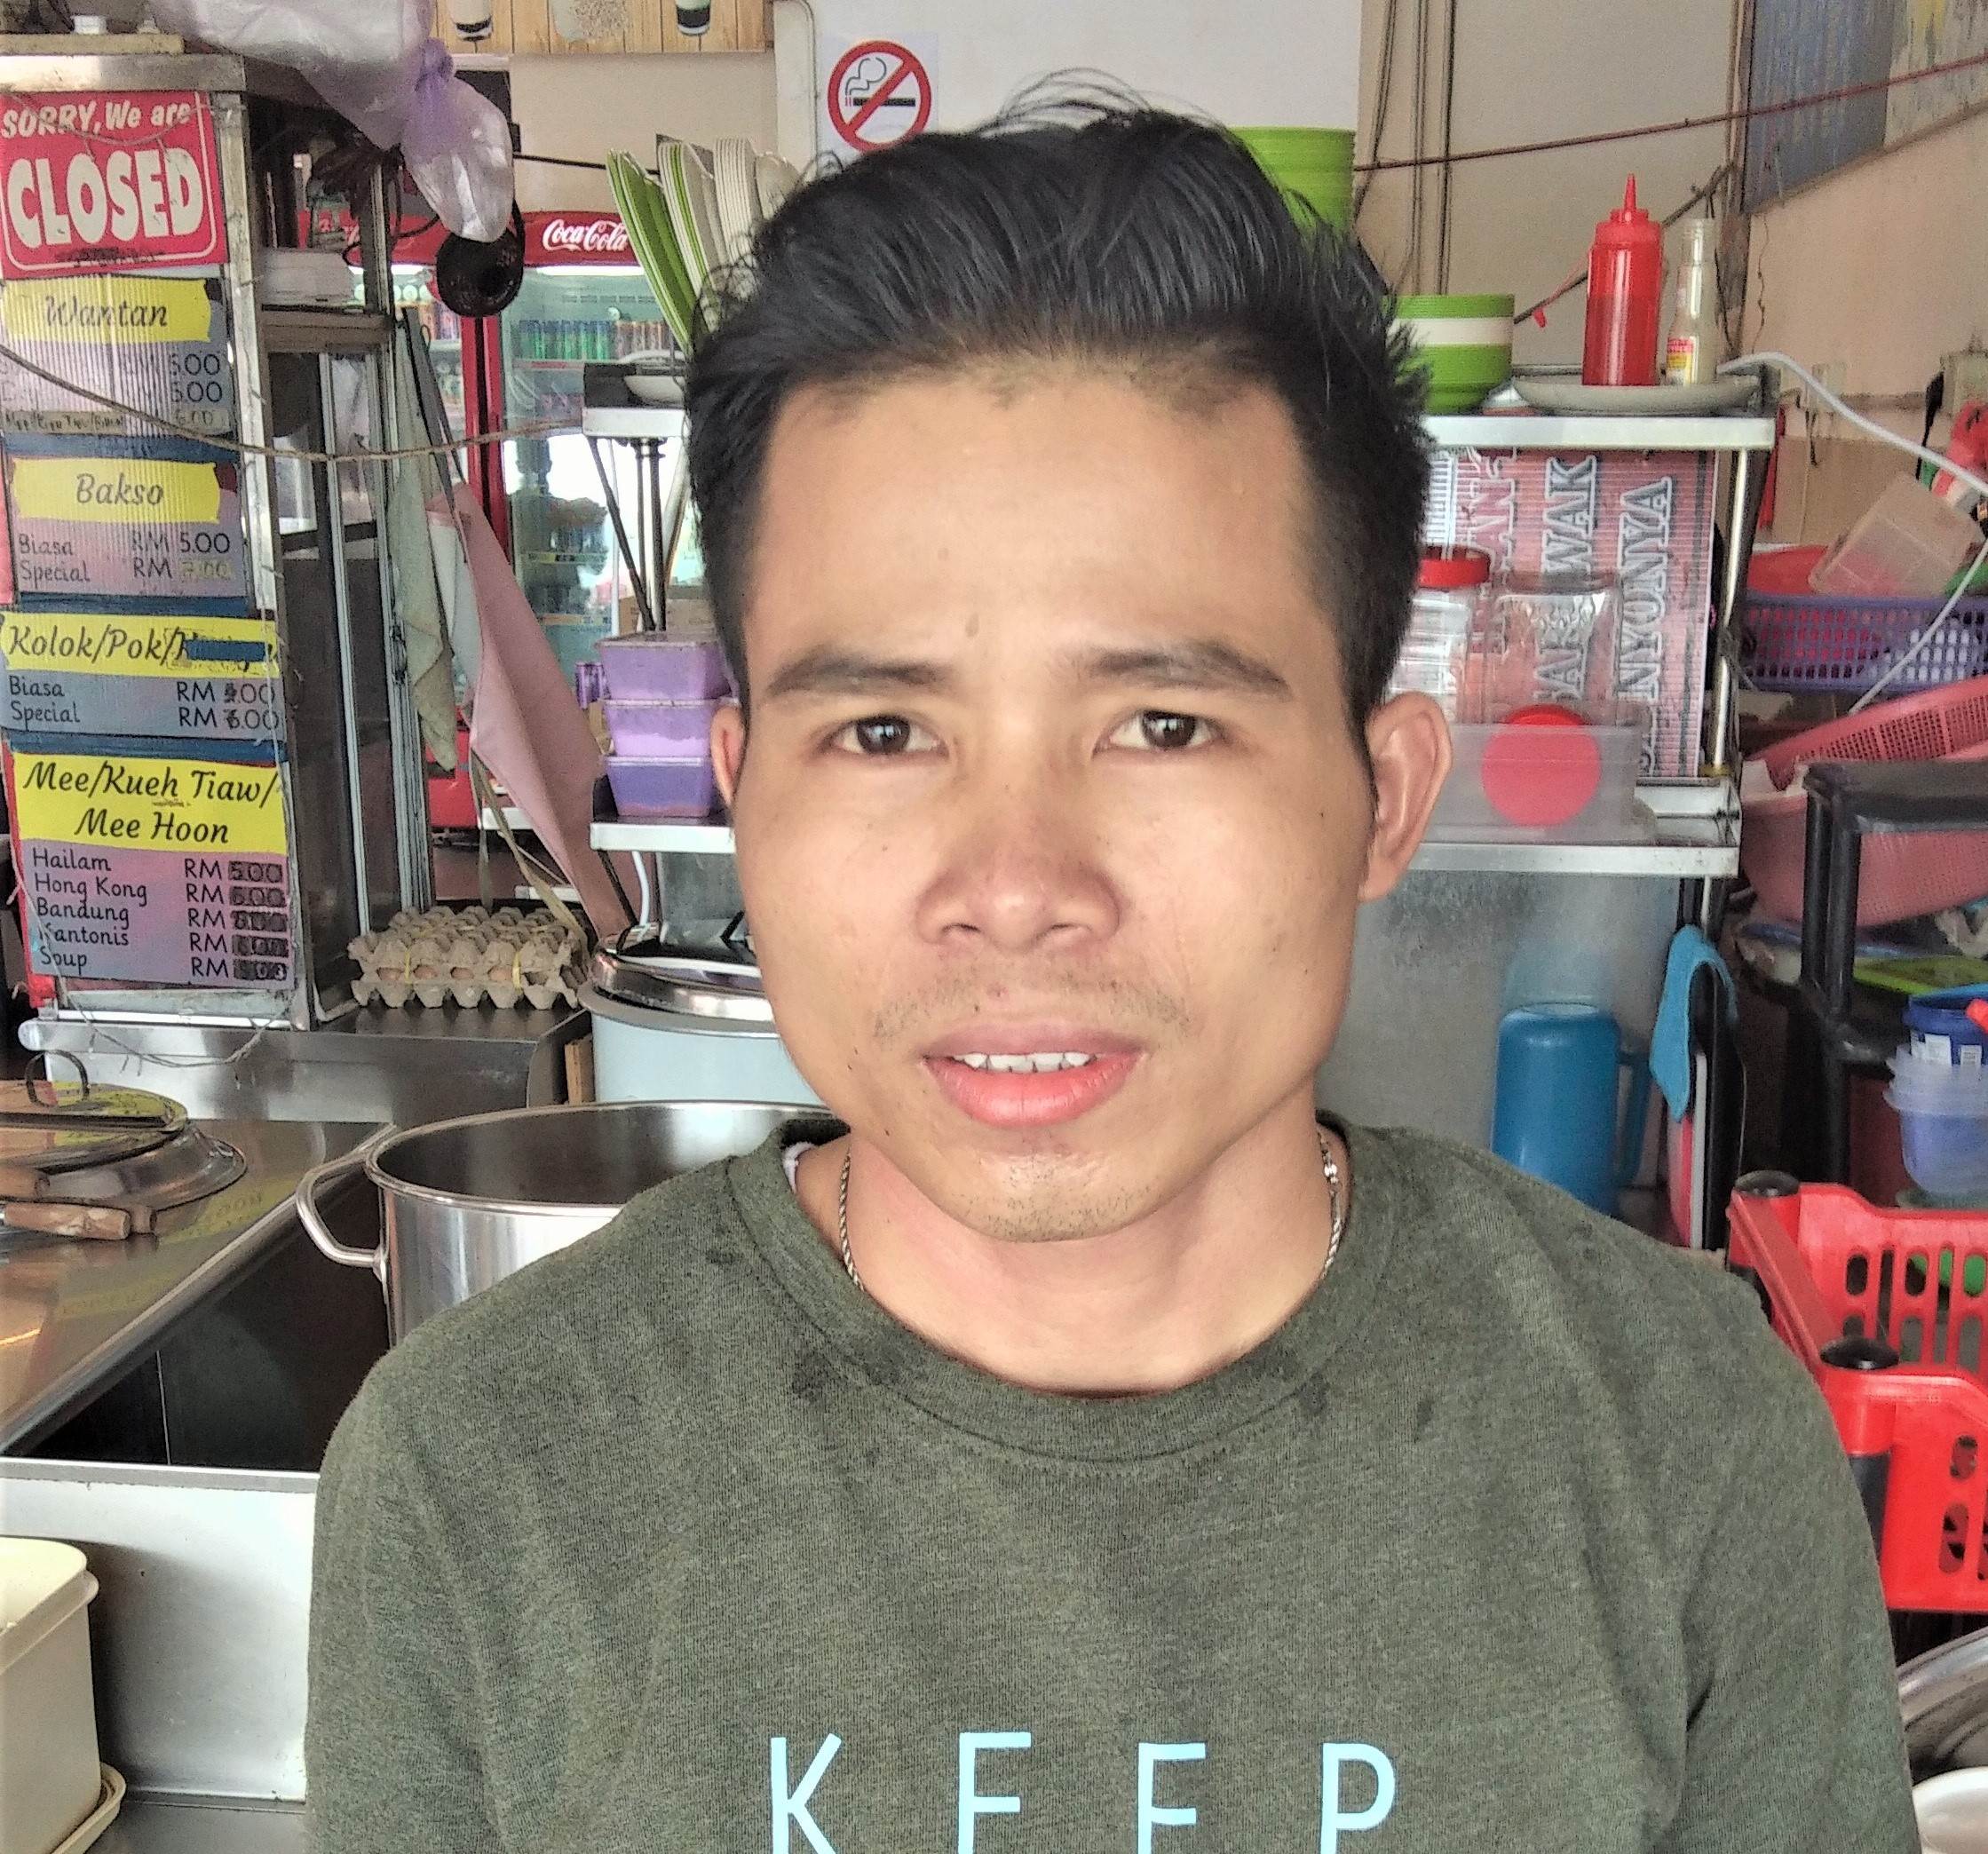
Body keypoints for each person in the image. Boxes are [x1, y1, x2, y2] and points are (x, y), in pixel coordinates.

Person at [307, 99, 1916, 1852]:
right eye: (883, 730)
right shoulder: (487, 1476)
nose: (1015, 890)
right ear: (744, 795)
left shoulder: (1688, 1449)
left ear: (1382, 800)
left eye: (1163, 724)